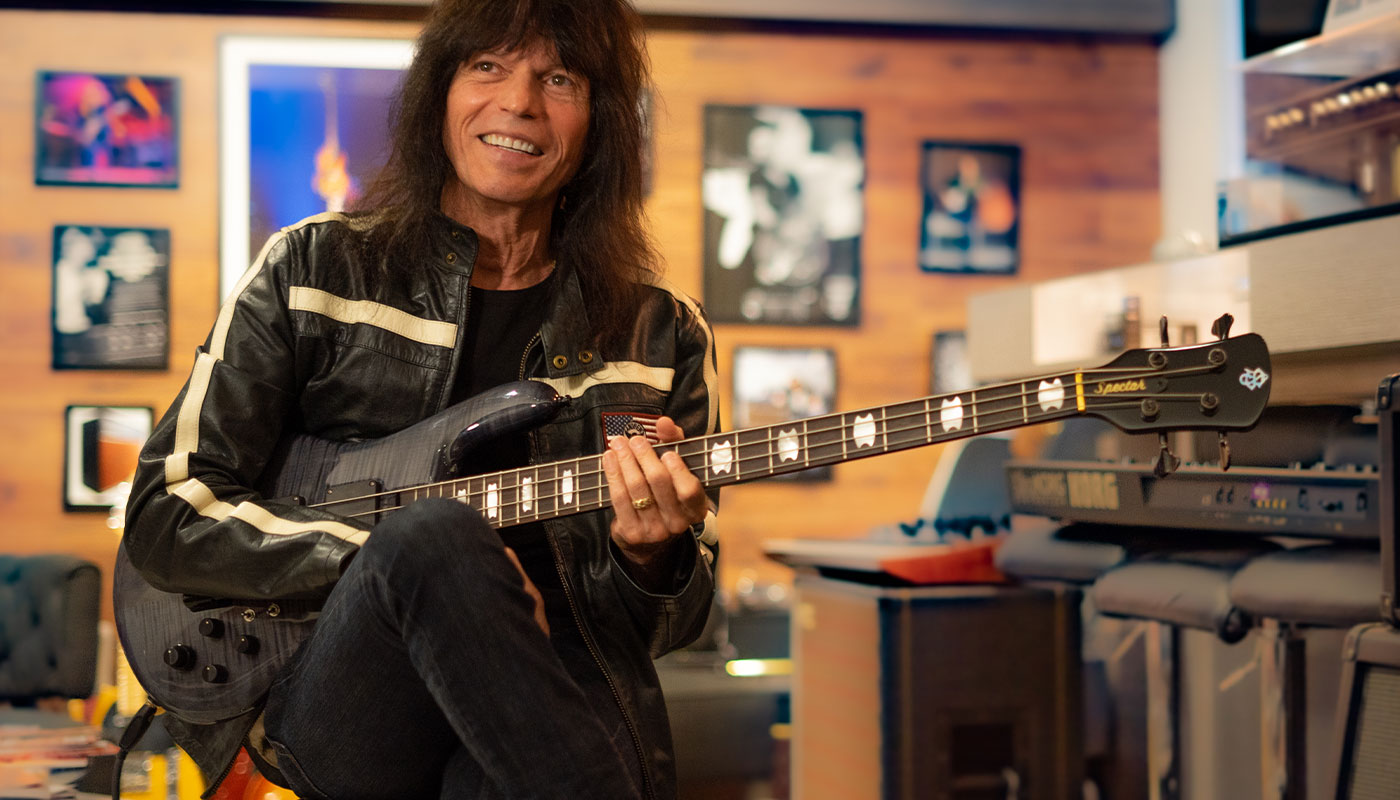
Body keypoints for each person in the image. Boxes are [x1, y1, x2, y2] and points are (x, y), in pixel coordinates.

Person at [122, 1, 720, 797]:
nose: (519, 101)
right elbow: (172, 509)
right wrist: (410, 568)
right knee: (436, 535)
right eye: (488, 67)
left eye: (560, 78)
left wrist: (652, 556)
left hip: (555, 702)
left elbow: (668, 627)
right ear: (441, 90)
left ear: (599, 124)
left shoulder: (658, 334)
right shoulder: (311, 269)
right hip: (336, 697)